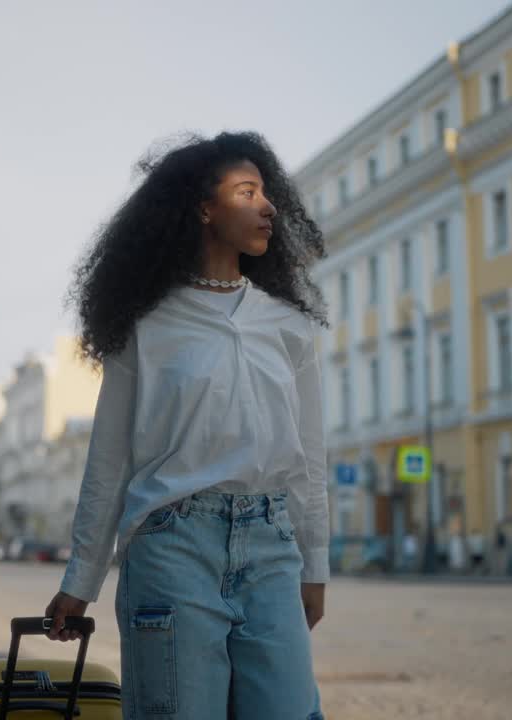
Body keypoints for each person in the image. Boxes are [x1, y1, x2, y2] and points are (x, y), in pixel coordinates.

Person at [42, 132, 329, 719]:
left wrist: (315, 562)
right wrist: (83, 577)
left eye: (268, 194)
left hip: (272, 548)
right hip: (173, 548)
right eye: (247, 192)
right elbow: (110, 459)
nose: (268, 206)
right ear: (204, 209)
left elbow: (309, 456)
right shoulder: (146, 326)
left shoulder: (289, 326)